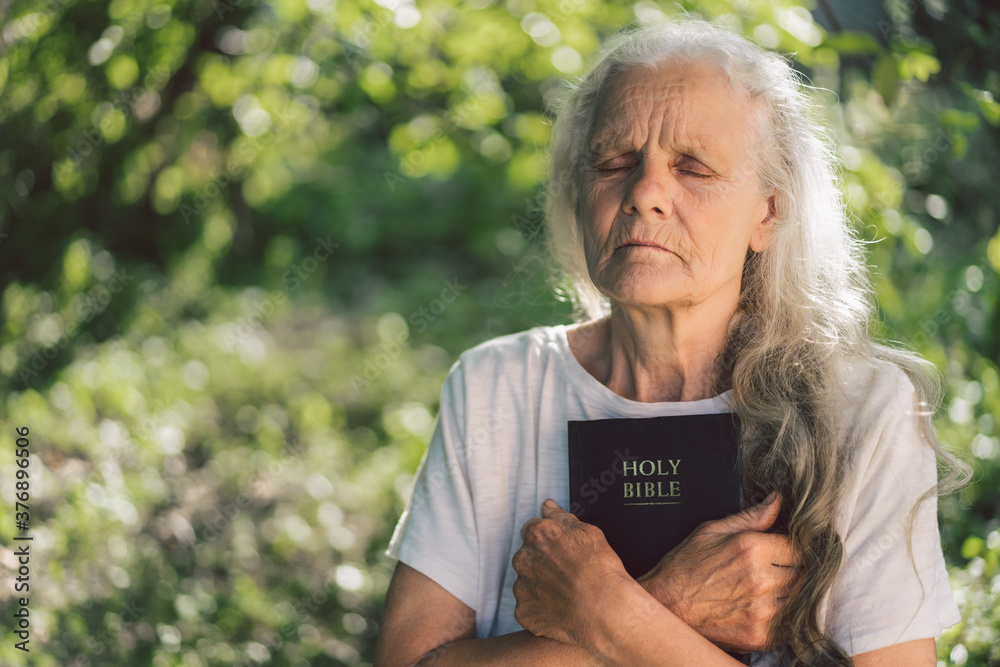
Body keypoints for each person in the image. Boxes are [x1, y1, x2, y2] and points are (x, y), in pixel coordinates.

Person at [373, 17, 968, 667]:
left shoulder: (864, 409)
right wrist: (668, 600)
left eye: (693, 167)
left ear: (767, 212)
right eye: (616, 162)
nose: (645, 193)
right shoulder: (497, 385)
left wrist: (605, 608)